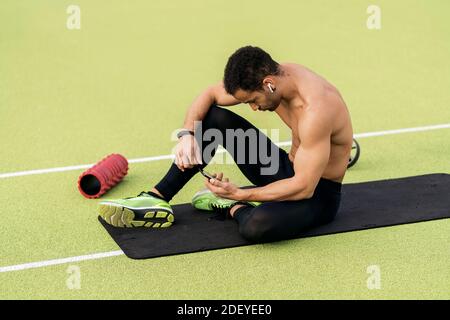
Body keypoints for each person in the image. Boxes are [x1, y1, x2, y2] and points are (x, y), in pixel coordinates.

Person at [98, 46, 354, 243]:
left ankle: (231, 206)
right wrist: (186, 134)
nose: (254, 108)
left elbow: (304, 187)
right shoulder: (272, 76)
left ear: (269, 84)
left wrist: (240, 194)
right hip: (287, 167)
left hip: (318, 194)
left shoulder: (317, 109)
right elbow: (209, 94)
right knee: (213, 117)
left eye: (253, 100)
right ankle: (157, 197)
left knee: (256, 227)